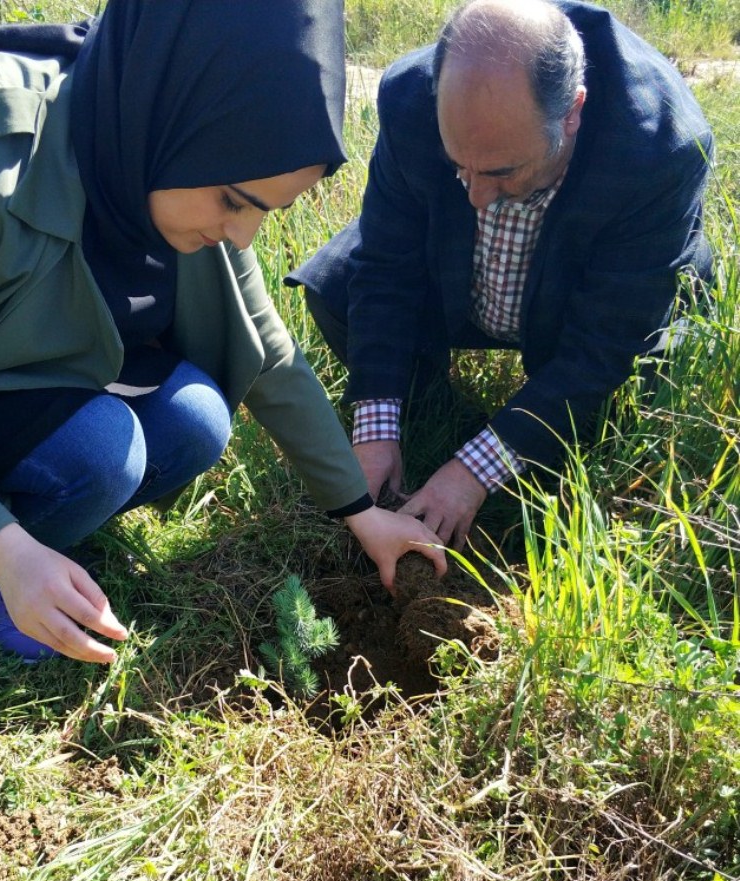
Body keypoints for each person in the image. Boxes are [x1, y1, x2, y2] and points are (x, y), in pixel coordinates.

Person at [0, 0, 445, 666]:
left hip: (26, 380)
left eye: (266, 211)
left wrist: (360, 512)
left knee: (196, 419)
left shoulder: (180, 157)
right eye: (236, 202)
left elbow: (268, 352)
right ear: (169, 117)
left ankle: (30, 528)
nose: (241, 235)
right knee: (104, 453)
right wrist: (5, 553)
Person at [290, 0, 714, 552]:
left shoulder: (659, 149)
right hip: (463, 278)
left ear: (573, 114)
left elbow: (608, 343)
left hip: (579, 298)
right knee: (339, 287)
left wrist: (473, 473)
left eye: (501, 170)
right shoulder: (410, 97)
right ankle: (434, 409)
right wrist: (375, 429)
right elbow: (386, 266)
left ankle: (527, 436)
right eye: (456, 165)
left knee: (633, 384)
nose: (477, 197)